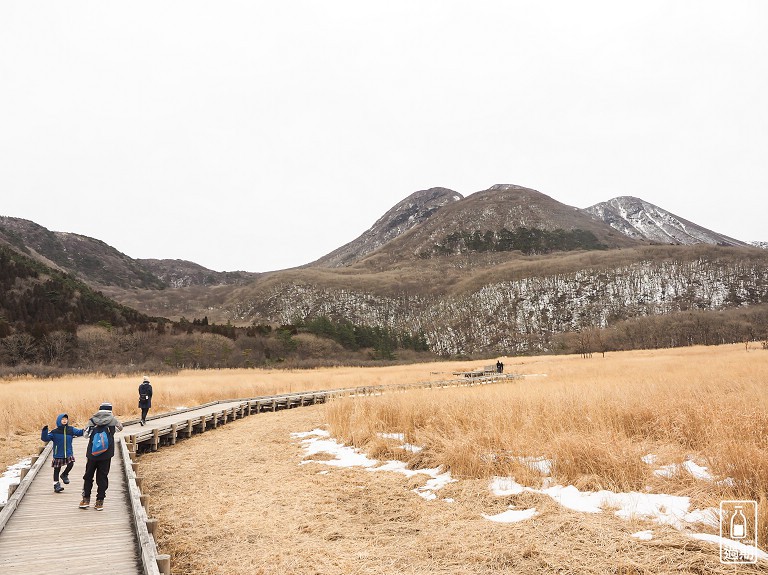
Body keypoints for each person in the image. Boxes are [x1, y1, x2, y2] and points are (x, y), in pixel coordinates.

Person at [79, 402, 123, 511]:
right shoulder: (113, 421)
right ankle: (100, 501)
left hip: (92, 454)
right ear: (110, 410)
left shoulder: (92, 420)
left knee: (88, 476)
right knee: (102, 477)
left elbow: (85, 435)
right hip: (106, 454)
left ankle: (85, 499)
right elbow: (120, 428)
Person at [41, 413, 84, 493]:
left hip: (68, 452)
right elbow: (45, 438)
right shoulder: (54, 432)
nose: (64, 420)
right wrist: (44, 431)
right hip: (58, 453)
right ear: (59, 421)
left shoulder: (71, 429)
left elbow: (80, 432)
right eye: (62, 419)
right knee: (57, 469)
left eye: (66, 419)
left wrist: (89, 428)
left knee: (71, 463)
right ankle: (56, 485)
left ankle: (64, 474)